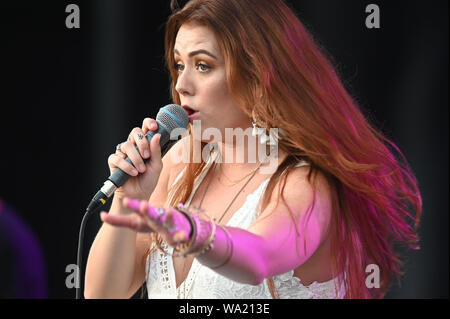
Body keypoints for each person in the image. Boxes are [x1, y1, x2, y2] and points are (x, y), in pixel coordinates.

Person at [84, 0, 422, 299]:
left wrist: (197, 232)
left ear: (259, 75)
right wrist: (129, 200)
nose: (182, 86)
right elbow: (103, 295)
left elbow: (259, 257)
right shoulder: (178, 164)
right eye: (179, 65)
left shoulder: (303, 182)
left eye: (203, 66)